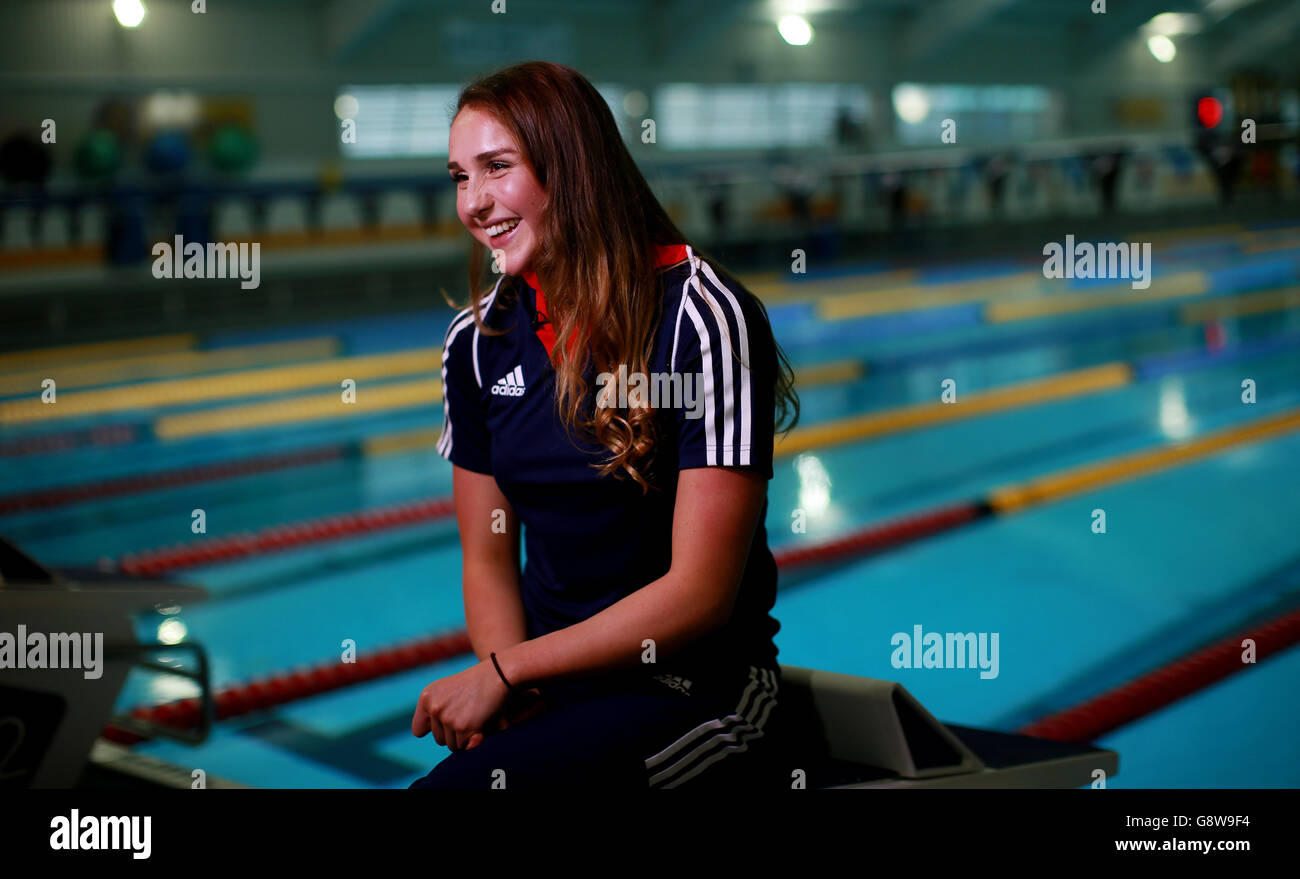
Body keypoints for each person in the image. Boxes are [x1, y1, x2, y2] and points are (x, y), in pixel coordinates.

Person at [408, 61, 800, 790]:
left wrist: (506, 668)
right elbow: (489, 557)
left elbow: (699, 593)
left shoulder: (700, 317)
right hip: (554, 690)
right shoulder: (476, 342)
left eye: (498, 167)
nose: (475, 201)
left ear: (572, 166)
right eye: (461, 176)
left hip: (697, 692)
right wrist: (517, 690)